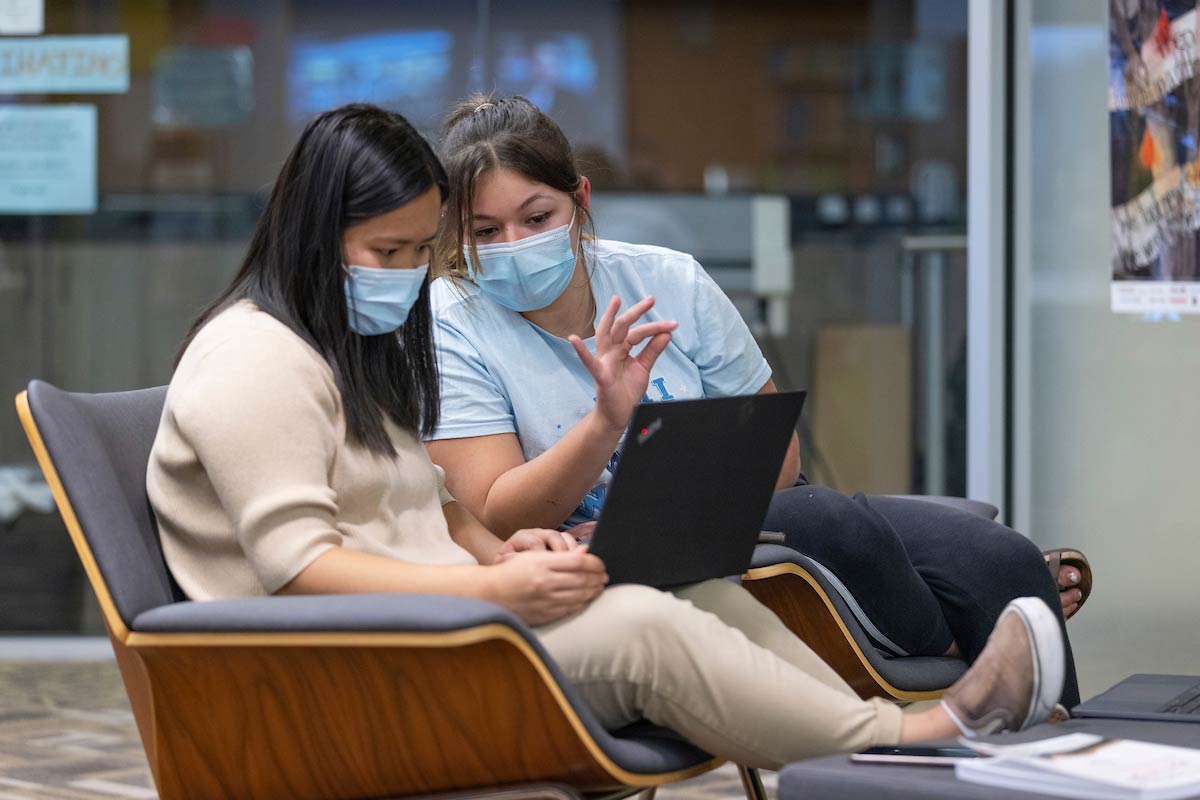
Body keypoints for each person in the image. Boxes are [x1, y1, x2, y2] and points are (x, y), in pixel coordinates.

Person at [145, 103, 1063, 771]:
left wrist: (503, 550)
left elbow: (440, 507)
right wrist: (494, 582)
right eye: (390, 253)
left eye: (423, 252)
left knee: (702, 588)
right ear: (313, 236)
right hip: (363, 665)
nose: (412, 276)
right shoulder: (251, 361)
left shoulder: (347, 352)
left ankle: (878, 751)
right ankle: (915, 738)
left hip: (441, 623)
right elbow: (300, 567)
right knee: (641, 624)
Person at [424, 93, 1086, 708]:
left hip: (724, 519)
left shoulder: (665, 280)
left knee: (1003, 559)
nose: (514, 246)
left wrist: (665, 516)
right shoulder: (450, 323)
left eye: (537, 218)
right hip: (590, 558)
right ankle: (970, 668)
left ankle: (1081, 758)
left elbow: (778, 459)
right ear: (455, 232)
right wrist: (605, 422)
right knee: (829, 520)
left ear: (581, 200)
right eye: (484, 232)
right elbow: (497, 514)